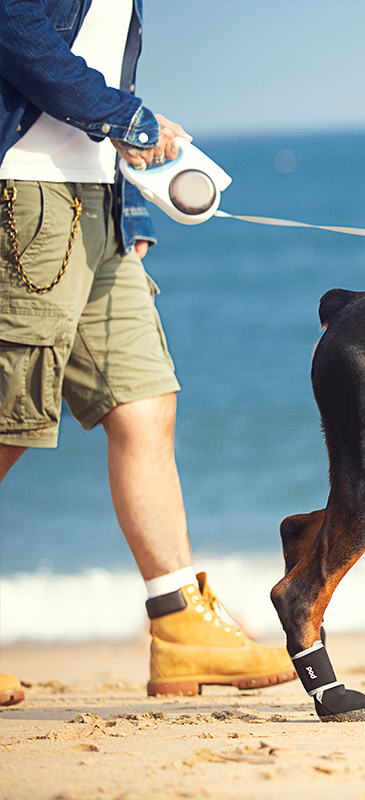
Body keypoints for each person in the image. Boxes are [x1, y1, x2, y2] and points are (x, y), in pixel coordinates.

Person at [0, 0, 295, 707]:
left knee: (143, 404)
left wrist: (125, 209)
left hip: (99, 202)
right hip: (24, 194)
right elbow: (13, 25)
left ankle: (178, 625)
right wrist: (129, 119)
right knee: (8, 420)